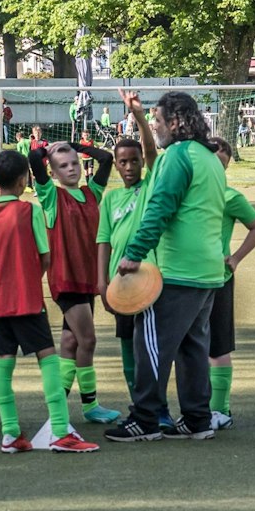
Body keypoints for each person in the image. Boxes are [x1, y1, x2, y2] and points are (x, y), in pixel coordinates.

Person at [104, 91, 227, 444]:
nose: (155, 127)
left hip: (177, 270)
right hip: (208, 271)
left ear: (174, 122)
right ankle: (197, 418)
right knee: (192, 349)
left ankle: (144, 419)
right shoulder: (208, 157)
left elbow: (160, 207)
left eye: (157, 121)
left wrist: (134, 252)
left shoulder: (177, 156)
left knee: (150, 343)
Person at [0, 149, 98, 454]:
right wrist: (30, 276)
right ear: (24, 180)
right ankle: (60, 432)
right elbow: (45, 256)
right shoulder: (29, 210)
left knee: (4, 365)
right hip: (27, 300)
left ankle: (10, 434)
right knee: (48, 361)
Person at [28, 137, 120, 425]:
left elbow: (106, 158)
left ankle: (59, 402)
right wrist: (48, 150)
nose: (71, 169)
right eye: (63, 166)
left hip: (87, 280)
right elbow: (33, 160)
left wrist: (74, 146)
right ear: (53, 173)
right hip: (67, 280)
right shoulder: (51, 197)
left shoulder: (92, 193)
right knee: (88, 340)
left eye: (74, 164)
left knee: (70, 343)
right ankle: (90, 406)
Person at [205, 137, 255, 430]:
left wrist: (236, 258)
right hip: (187, 278)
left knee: (218, 346)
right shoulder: (188, 195)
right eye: (214, 163)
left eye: (223, 165)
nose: (218, 170)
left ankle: (220, 410)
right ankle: (195, 408)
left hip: (218, 279)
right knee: (189, 346)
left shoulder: (231, 198)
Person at [98, 102, 153, 400]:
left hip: (150, 279)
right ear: (116, 165)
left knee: (150, 344)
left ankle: (153, 406)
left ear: (142, 162)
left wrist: (140, 118)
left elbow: (152, 150)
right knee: (128, 343)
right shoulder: (110, 199)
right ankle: (137, 403)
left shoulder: (150, 189)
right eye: (123, 162)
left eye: (135, 161)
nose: (129, 167)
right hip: (120, 283)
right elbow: (103, 241)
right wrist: (101, 283)